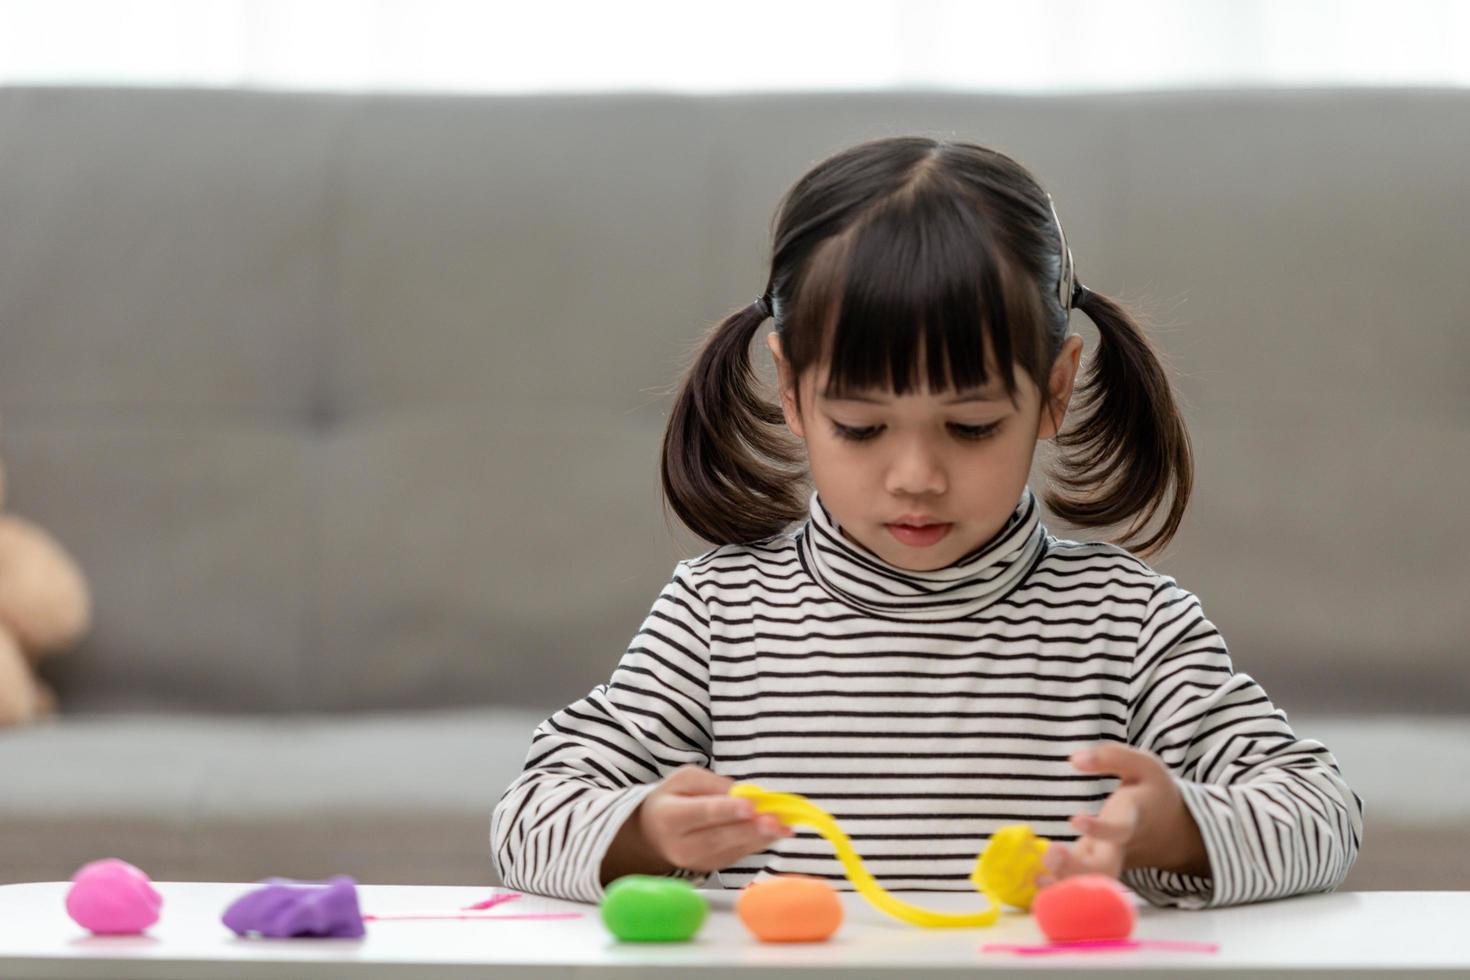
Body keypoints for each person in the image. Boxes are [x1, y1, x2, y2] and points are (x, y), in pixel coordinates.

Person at [490, 136, 1364, 910]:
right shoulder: (719, 617)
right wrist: (642, 831)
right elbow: (529, 812)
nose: (917, 478)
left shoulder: (1128, 626)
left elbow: (1320, 809)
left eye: (972, 426)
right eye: (862, 428)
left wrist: (1179, 830)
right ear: (791, 390)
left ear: (1055, 390)